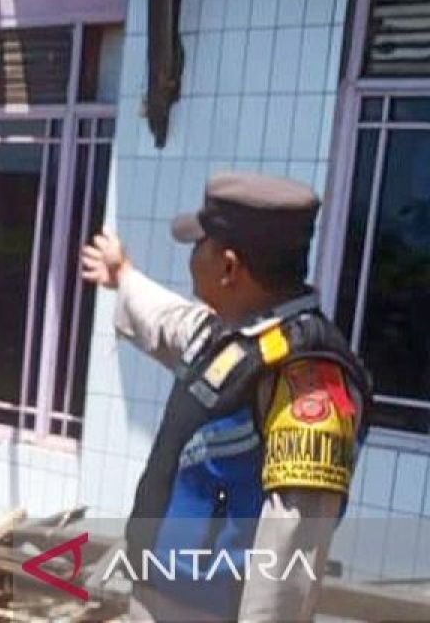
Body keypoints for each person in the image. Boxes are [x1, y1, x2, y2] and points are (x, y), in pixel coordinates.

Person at [80, 172, 371, 622]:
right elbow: (172, 321)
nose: (192, 259)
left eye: (199, 246)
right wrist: (124, 276)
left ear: (230, 267)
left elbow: (290, 554)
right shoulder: (237, 334)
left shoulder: (308, 380)